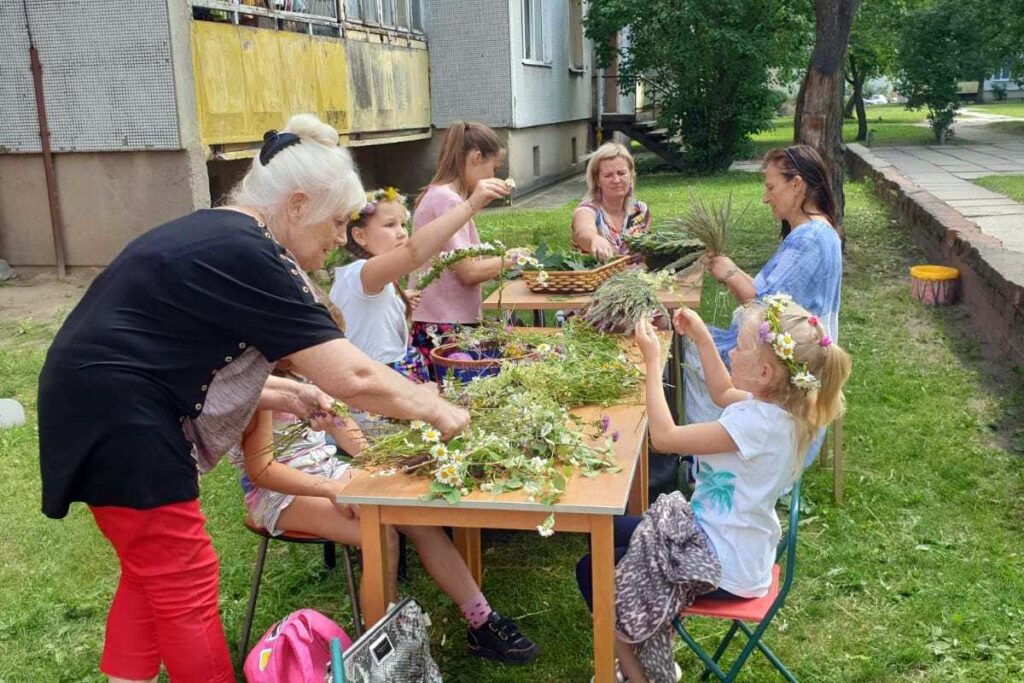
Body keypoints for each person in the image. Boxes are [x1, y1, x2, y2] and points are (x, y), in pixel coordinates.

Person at [37, 114, 470, 683]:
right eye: (336, 221)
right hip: (122, 419)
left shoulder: (222, 233)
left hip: (95, 403)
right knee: (185, 577)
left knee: (150, 575)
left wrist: (288, 389)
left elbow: (183, 357)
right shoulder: (252, 252)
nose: (340, 238)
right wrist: (436, 407)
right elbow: (352, 376)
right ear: (296, 206)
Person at [576, 297, 851, 683]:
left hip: (724, 566)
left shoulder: (757, 425)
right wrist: (701, 336)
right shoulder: (781, 410)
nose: (731, 353)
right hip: (734, 545)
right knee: (608, 537)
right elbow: (722, 393)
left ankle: (636, 674)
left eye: (737, 350)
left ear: (766, 373)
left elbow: (665, 438)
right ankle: (643, 651)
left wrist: (652, 362)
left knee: (595, 569)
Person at [236, 397, 540, 665]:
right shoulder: (262, 382)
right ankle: (382, 654)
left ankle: (482, 622)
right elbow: (263, 471)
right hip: (276, 494)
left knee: (411, 510)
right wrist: (333, 490)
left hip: (328, 471)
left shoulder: (304, 369)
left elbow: (348, 434)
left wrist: (386, 464)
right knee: (379, 533)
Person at [685, 144, 843, 466]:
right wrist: (726, 268)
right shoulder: (809, 233)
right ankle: (703, 449)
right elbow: (767, 294)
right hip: (787, 351)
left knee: (692, 352)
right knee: (692, 341)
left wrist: (727, 271)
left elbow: (762, 306)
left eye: (771, 187)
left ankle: (710, 456)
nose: (765, 197)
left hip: (787, 364)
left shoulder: (812, 239)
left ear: (797, 185)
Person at [330, 179, 509, 383]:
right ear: (359, 235)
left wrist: (397, 300)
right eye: (389, 225)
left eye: (403, 224)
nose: (401, 232)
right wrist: (471, 204)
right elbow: (412, 252)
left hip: (384, 377)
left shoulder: (373, 279)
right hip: (374, 381)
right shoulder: (362, 272)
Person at [409, 122, 524, 376]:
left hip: (440, 318)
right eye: (492, 169)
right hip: (444, 323)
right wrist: (513, 259)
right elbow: (467, 272)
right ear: (476, 158)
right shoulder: (448, 200)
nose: (493, 177)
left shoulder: (443, 196)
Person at [571, 142, 651, 262]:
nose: (616, 180)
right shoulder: (587, 211)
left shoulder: (640, 210)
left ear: (631, 175)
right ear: (597, 180)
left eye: (621, 173)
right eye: (608, 175)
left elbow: (646, 255)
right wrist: (594, 239)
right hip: (596, 280)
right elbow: (583, 231)